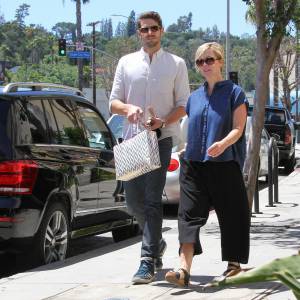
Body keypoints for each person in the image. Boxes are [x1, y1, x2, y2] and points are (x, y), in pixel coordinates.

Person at [109, 11, 190, 284]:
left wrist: (163, 120)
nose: (150, 33)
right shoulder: (126, 62)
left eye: (154, 28)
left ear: (162, 31)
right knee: (133, 201)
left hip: (161, 138)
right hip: (132, 139)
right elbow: (113, 103)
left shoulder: (176, 64)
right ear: (138, 33)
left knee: (153, 199)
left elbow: (183, 105)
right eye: (144, 29)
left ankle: (146, 261)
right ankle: (155, 242)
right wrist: (128, 108)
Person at [165, 42, 250, 287]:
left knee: (232, 214)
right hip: (194, 164)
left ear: (220, 61)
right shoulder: (194, 98)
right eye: (200, 62)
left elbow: (238, 128)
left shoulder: (235, 93)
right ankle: (183, 268)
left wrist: (222, 144)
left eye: (209, 60)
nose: (205, 65)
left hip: (224, 162)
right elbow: (191, 129)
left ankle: (233, 264)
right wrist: (185, 148)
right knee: (187, 214)